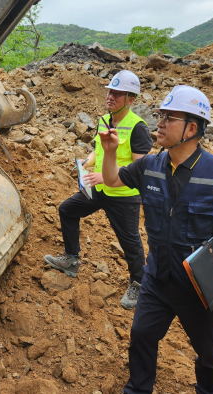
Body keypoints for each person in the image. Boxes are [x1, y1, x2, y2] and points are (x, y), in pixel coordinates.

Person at [100, 85, 213, 394]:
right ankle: (138, 389)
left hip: (198, 283)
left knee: (210, 353)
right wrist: (110, 151)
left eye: (169, 118)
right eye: (160, 116)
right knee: (141, 334)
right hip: (158, 276)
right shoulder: (149, 166)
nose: (160, 123)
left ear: (191, 129)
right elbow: (111, 179)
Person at [44, 70, 153, 309]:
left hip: (123, 195)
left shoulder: (138, 127)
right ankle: (71, 259)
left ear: (131, 99)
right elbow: (98, 149)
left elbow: (140, 168)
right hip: (99, 189)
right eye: (109, 91)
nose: (110, 96)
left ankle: (139, 283)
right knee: (67, 209)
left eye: (117, 93)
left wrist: (105, 177)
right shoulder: (104, 120)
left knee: (130, 242)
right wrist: (88, 161)